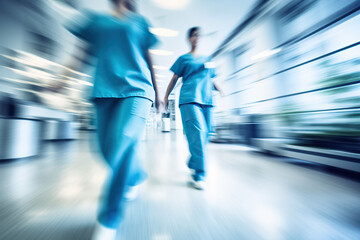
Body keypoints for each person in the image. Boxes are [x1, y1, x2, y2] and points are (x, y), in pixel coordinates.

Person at [53, 0, 160, 239]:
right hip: (103, 91)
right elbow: (80, 55)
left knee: (121, 141)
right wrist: (62, 80)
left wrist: (158, 91)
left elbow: (149, 59)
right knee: (105, 150)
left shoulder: (140, 22)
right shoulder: (95, 21)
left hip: (137, 90)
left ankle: (109, 217)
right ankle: (135, 175)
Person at [164, 27, 222, 191]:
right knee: (197, 133)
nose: (197, 38)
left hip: (207, 100)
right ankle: (199, 174)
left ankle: (193, 161)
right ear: (189, 39)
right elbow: (174, 78)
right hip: (189, 99)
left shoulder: (209, 58)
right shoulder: (183, 59)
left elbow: (212, 79)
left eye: (199, 35)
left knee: (206, 135)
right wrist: (165, 96)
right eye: (194, 35)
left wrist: (222, 90)